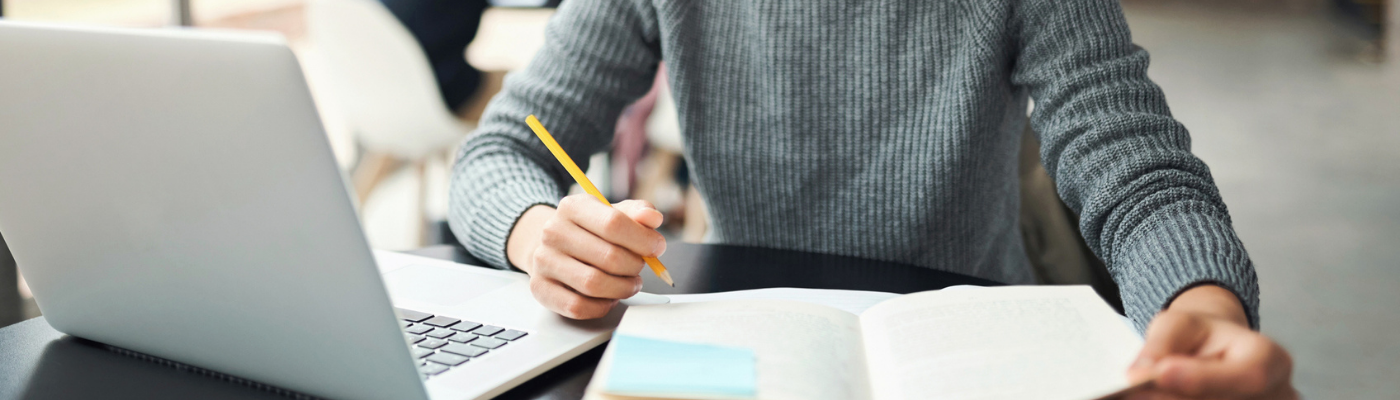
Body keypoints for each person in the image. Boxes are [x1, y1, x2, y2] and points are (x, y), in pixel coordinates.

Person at [447, 1, 1297, 398]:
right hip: (750, 352)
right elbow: (501, 148)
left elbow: (1136, 165)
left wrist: (1204, 304)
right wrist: (537, 234)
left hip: (972, 353)